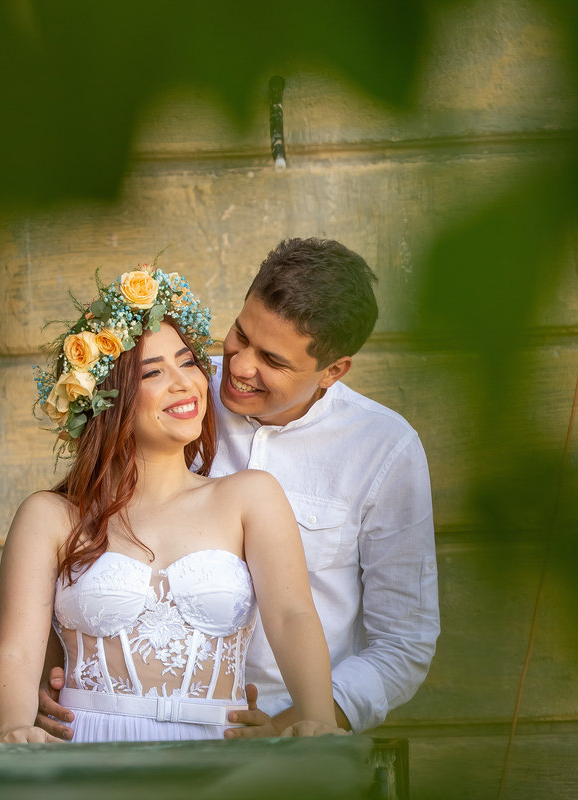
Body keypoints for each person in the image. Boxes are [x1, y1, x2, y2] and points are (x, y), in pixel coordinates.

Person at [36, 238, 440, 739]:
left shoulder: (385, 449)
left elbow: (403, 643)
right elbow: (79, 536)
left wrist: (295, 726)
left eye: (272, 359)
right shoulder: (179, 392)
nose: (241, 366)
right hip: (119, 725)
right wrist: (53, 673)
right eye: (240, 334)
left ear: (332, 372)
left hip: (290, 737)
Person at [0, 265, 341, 743]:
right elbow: (15, 651)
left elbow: (293, 615)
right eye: (153, 372)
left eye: (188, 362)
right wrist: (14, 727)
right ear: (105, 400)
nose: (185, 383)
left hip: (218, 755)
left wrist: (316, 719)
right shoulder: (50, 516)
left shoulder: (250, 497)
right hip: (88, 749)